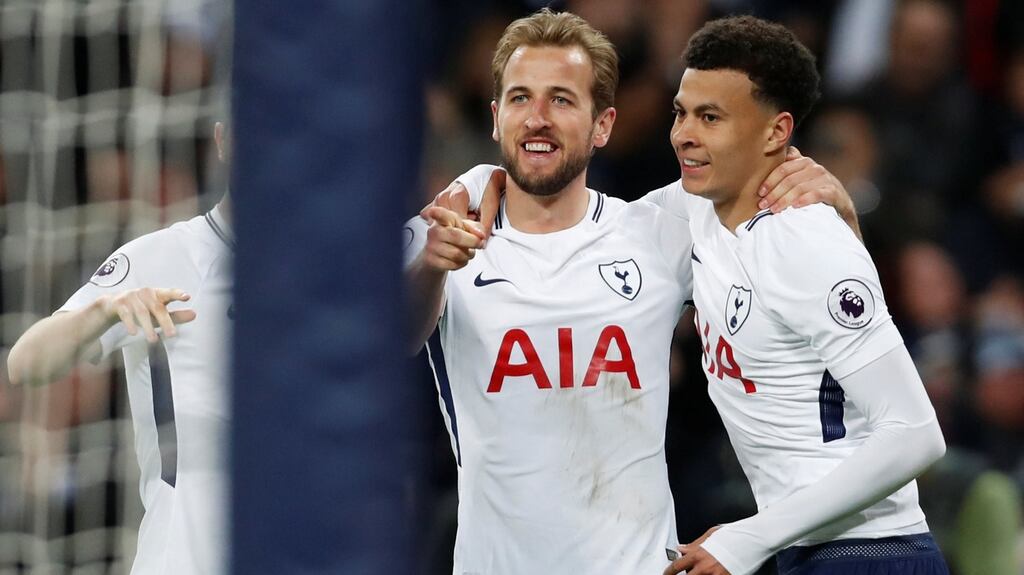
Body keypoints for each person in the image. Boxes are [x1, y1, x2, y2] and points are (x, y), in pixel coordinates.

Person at [406, 9, 857, 574]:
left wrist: (833, 201)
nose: (537, 118)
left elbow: (774, 194)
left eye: (562, 100)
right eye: (520, 99)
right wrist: (431, 266)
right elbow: (386, 336)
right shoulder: (444, 228)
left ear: (604, 125)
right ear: (496, 118)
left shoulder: (662, 228)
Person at [650, 16, 947, 575]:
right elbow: (585, 225)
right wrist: (481, 186)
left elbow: (915, 435)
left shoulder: (801, 236)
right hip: (805, 547)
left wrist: (749, 538)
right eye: (681, 112)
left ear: (774, 131)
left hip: (872, 552)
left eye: (710, 117)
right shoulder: (696, 206)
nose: (684, 133)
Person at [7, 123, 232, 574]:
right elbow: (24, 363)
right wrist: (105, 311)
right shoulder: (163, 257)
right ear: (223, 141)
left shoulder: (341, 268)